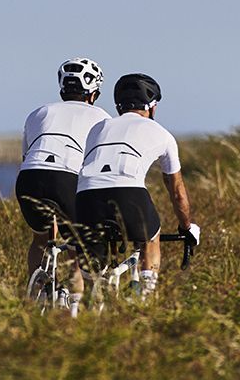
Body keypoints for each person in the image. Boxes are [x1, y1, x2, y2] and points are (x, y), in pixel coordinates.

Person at [76, 73, 200, 294]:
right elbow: (177, 192)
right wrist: (186, 227)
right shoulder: (163, 134)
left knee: (95, 267)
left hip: (86, 198)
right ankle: (145, 298)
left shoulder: (98, 128)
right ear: (152, 107)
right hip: (129, 194)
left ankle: (91, 301)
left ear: (119, 106)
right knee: (151, 239)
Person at [15, 57, 111, 301]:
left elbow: (26, 154)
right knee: (75, 242)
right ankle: (73, 302)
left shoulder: (39, 112)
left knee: (40, 238)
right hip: (67, 177)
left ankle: (34, 296)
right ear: (93, 93)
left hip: (29, 177)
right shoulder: (102, 117)